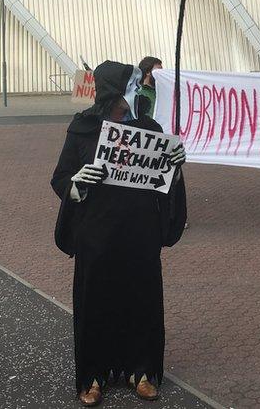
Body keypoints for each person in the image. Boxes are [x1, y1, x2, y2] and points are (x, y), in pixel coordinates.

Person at [51, 60, 187, 407]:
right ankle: (93, 375)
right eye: (130, 86)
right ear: (113, 91)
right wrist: (77, 183)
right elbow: (62, 177)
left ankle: (141, 371)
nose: (137, 91)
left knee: (141, 299)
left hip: (139, 233)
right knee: (95, 301)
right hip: (97, 235)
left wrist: (174, 163)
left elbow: (163, 183)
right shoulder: (83, 128)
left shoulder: (149, 128)